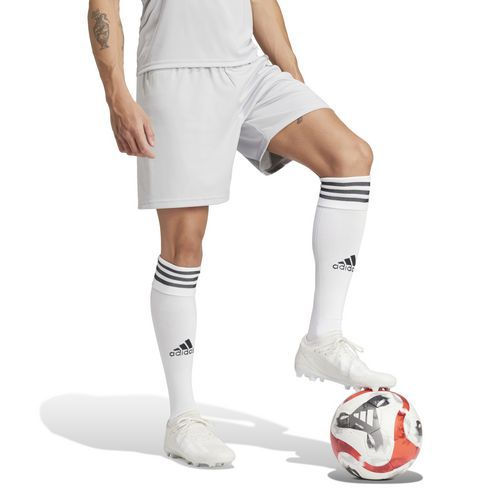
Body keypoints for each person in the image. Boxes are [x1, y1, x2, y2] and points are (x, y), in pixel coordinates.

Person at [88, 0, 396, 468]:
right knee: (184, 245)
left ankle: (323, 339)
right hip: (177, 73)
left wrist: (293, 82)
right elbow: (102, 5)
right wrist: (117, 96)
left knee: (349, 157)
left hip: (248, 70)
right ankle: (183, 419)